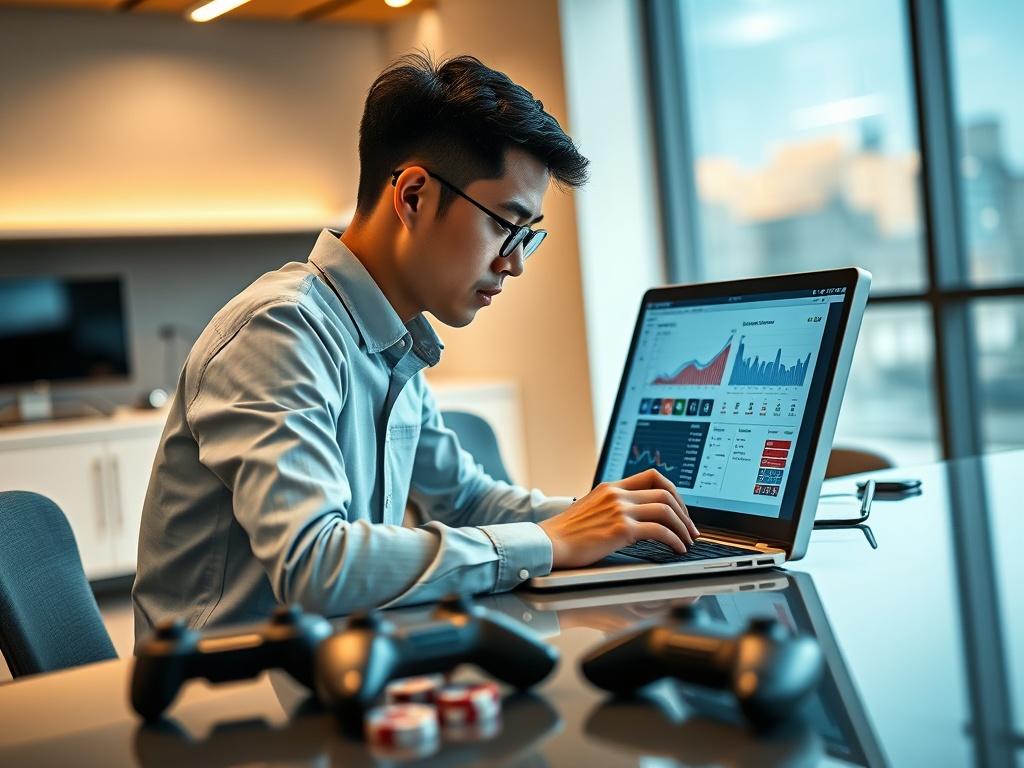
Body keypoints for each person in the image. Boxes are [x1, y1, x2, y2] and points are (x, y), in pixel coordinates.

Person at [132, 53, 698, 645]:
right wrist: (552, 540)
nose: (516, 263)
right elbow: (315, 563)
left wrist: (612, 519)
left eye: (528, 235)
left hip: (338, 670)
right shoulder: (280, 330)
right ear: (413, 197)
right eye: (507, 225)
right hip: (227, 703)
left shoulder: (391, 342)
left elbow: (465, 500)